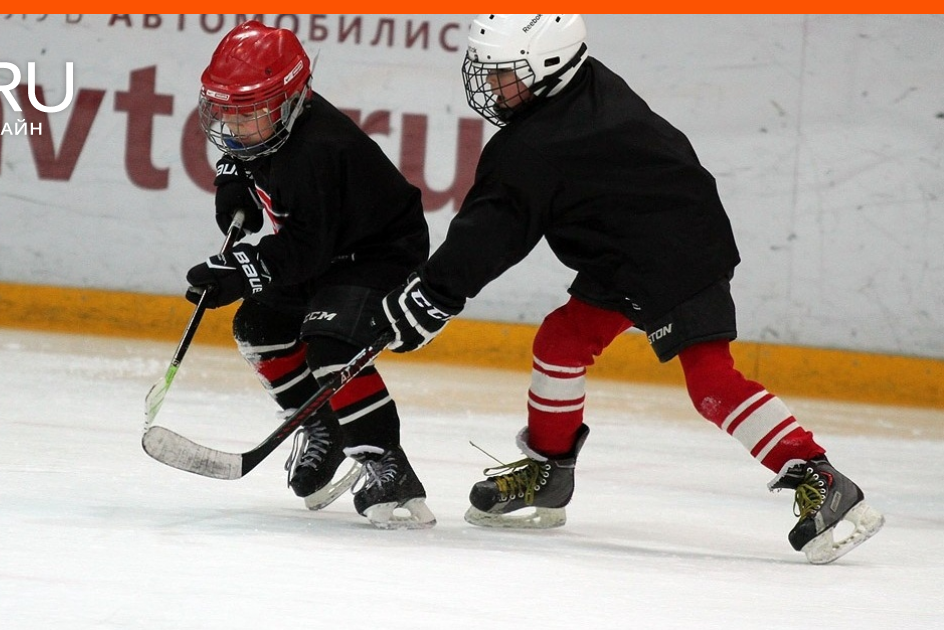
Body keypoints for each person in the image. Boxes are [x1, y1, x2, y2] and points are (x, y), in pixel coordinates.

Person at [381, 14, 883, 561]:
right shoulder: (581, 84)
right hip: (629, 247)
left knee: (711, 382)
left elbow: (491, 234)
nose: (492, 86)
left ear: (550, 65)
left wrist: (435, 293)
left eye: (506, 74)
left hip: (678, 252)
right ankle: (550, 472)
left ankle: (820, 476)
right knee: (561, 342)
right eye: (490, 71)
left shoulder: (537, 143)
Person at [184, 20, 436, 529]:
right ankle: (323, 424)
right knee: (259, 326)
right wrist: (232, 177)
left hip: (378, 256)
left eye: (249, 112)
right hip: (326, 253)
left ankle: (387, 465)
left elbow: (304, 250)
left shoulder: (318, 150)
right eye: (228, 112)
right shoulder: (270, 131)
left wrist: (241, 270)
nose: (235, 126)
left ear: (291, 99)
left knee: (333, 347)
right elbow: (253, 162)